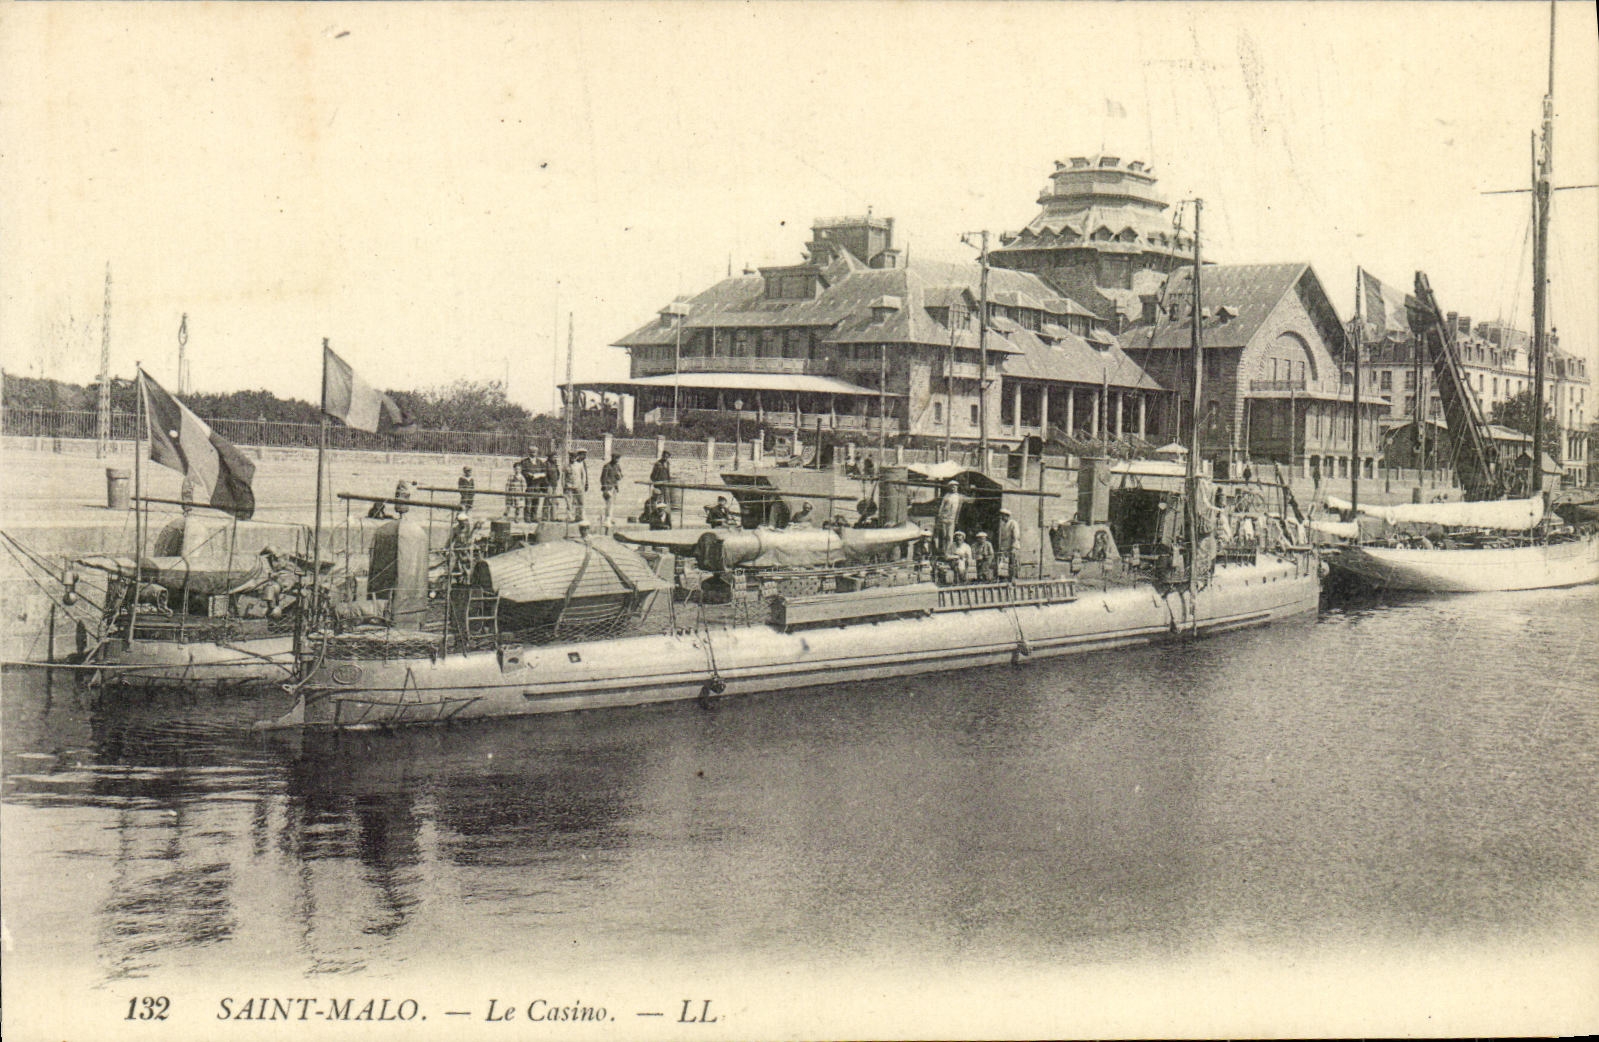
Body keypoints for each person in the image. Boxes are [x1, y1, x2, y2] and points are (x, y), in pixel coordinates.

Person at [934, 479, 964, 555]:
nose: (953, 488)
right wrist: (940, 516)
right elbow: (941, 506)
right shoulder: (947, 496)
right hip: (944, 518)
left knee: (950, 536)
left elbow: (969, 500)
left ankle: (949, 551)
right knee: (944, 535)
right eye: (952, 487)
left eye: (955, 487)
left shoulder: (959, 496)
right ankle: (944, 551)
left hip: (952, 519)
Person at [996, 507, 1021, 581]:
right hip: (1006, 548)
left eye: (1002, 516)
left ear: (1006, 516)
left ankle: (1013, 578)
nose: (1001, 518)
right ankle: (1006, 578)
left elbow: (1015, 536)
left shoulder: (1013, 523)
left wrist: (1013, 547)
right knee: (1005, 564)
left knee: (1012, 563)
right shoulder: (1004, 525)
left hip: (1012, 547)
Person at [516, 448, 541, 522]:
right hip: (528, 484)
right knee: (528, 502)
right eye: (532, 452)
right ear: (529, 452)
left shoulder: (539, 462)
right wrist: (528, 475)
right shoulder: (524, 462)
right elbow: (522, 471)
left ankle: (534, 517)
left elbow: (544, 471)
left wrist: (540, 475)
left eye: (535, 452)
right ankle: (527, 518)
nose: (533, 453)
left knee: (536, 502)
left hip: (537, 485)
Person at [600, 452, 623, 529]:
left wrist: (619, 476)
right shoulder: (607, 466)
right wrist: (605, 489)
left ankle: (610, 518)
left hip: (614, 487)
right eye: (615, 458)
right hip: (608, 487)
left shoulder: (617, 466)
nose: (617, 460)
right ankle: (607, 520)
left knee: (612, 503)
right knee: (608, 504)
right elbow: (603, 478)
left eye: (618, 458)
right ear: (612, 458)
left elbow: (620, 476)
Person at [542, 451, 562, 520]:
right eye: (553, 457)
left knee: (554, 501)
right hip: (549, 485)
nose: (555, 458)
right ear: (550, 457)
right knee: (547, 501)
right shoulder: (546, 464)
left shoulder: (555, 464)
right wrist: (547, 484)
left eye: (555, 457)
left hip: (554, 485)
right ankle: (545, 517)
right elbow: (544, 476)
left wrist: (556, 481)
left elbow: (558, 474)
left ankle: (553, 517)